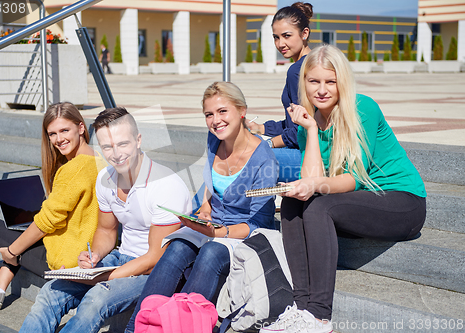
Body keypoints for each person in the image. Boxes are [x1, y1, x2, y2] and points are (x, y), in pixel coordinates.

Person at [259, 44, 427, 333]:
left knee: (321, 206)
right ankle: (301, 309)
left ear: (342, 83)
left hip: (403, 202)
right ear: (304, 83)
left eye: (330, 81)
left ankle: (320, 316)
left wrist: (311, 185)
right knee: (292, 203)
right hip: (360, 202)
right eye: (314, 81)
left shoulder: (362, 108)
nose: (322, 89)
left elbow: (352, 179)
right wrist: (311, 130)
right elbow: (313, 180)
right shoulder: (306, 120)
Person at [19, 107, 191, 333]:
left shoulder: (165, 184)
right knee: (51, 292)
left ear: (138, 140)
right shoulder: (105, 178)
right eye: (107, 147)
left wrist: (109, 276)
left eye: (122, 144)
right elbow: (106, 232)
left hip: (160, 270)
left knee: (97, 298)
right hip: (121, 258)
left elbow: (155, 257)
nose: (116, 154)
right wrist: (95, 255)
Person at [124, 81, 278, 332]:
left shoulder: (264, 159)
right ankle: (137, 328)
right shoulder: (214, 139)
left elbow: (257, 224)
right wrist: (204, 207)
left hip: (243, 233)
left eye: (222, 111)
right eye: (209, 114)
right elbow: (210, 181)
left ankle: (179, 327)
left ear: (242, 111)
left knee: (210, 254)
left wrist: (218, 233)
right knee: (176, 248)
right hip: (212, 223)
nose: (215, 120)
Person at [0, 102, 106, 309]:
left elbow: (47, 222)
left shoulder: (74, 169)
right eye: (52, 134)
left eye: (64, 130)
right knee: (23, 229)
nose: (59, 139)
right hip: (81, 247)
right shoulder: (98, 159)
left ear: (81, 127)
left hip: (65, 260)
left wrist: (12, 252)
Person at [246, 2, 313, 182]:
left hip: (311, 156)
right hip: (309, 150)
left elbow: (302, 131)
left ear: (304, 33)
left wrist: (268, 143)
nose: (280, 43)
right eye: (276, 37)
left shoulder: (298, 70)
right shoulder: (314, 62)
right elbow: (296, 122)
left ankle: (200, 209)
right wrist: (261, 128)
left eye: (286, 36)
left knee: (238, 157)